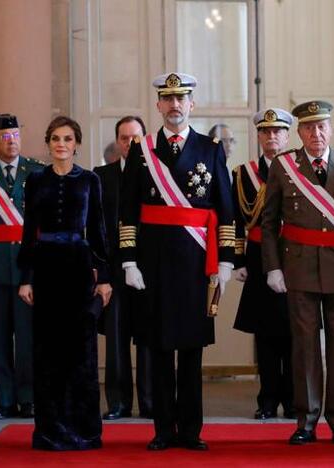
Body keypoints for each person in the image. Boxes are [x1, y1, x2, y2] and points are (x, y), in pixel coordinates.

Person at [119, 73, 234, 451]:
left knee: (191, 350)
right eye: (168, 99)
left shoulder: (210, 147)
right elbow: (128, 210)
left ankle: (191, 431)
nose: (174, 106)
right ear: (158, 106)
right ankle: (163, 429)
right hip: (152, 264)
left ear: (191, 105)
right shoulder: (142, 149)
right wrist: (129, 261)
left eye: (181, 99)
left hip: (195, 263)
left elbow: (226, 208)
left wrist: (227, 260)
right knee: (156, 348)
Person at [261, 100, 334, 445]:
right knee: (305, 347)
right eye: (309, 128)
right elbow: (269, 223)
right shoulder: (284, 166)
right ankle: (306, 420)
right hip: (299, 267)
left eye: (322, 126)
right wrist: (273, 268)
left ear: (331, 128)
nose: (316, 133)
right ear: (299, 132)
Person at [18, 116, 112, 451]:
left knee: (81, 352)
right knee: (47, 353)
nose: (61, 144)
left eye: (68, 139)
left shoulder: (90, 180)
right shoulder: (35, 180)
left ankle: (84, 430)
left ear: (76, 143)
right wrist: (26, 278)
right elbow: (29, 231)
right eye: (56, 139)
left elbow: (98, 230)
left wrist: (104, 277)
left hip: (77, 268)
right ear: (48, 143)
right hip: (45, 269)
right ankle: (49, 431)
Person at [0, 114, 44, 420]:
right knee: (0, 338)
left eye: (15, 134)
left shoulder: (37, 172)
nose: (11, 141)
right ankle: (5, 400)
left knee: (27, 338)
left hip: (29, 269)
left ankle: (28, 398)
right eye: (4, 136)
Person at [232, 108, 294, 420]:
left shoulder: (300, 170)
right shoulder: (244, 174)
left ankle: (294, 399)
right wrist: (237, 259)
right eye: (265, 132)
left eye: (277, 131)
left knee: (296, 332)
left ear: (287, 136)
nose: (271, 137)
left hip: (295, 257)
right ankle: (268, 399)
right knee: (266, 334)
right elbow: (234, 218)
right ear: (258, 136)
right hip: (257, 256)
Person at [94, 116, 153, 420]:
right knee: (116, 339)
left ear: (145, 139)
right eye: (124, 138)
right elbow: (94, 228)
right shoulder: (100, 176)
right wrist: (100, 273)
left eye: (135, 137)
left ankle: (150, 402)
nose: (130, 143)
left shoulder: (157, 174)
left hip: (149, 269)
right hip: (115, 270)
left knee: (148, 338)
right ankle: (117, 402)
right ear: (117, 141)